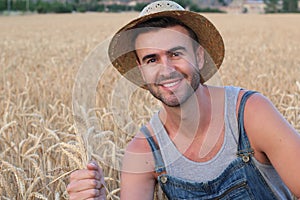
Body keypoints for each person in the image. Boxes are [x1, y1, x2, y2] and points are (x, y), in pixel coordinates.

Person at [67, 1, 300, 199]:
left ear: (199, 57)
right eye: (151, 60)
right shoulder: (144, 151)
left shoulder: (249, 114)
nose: (166, 70)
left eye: (175, 54)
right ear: (141, 70)